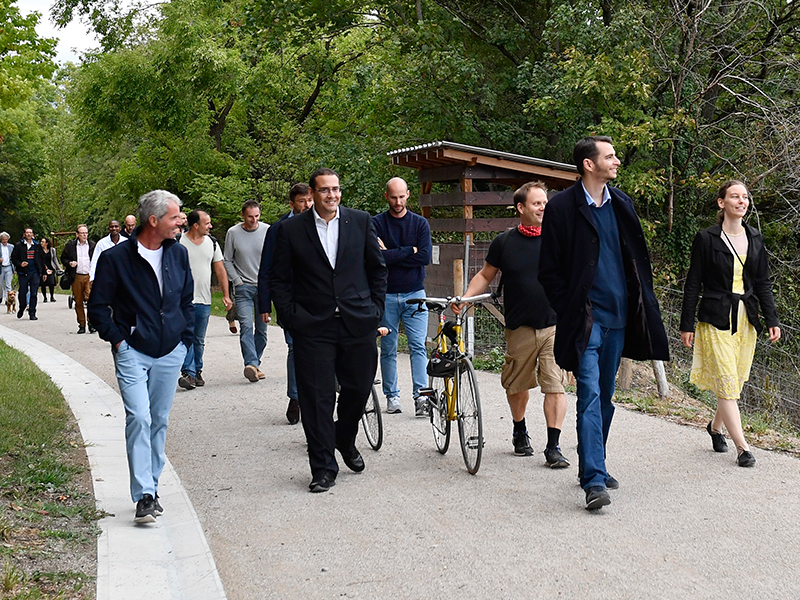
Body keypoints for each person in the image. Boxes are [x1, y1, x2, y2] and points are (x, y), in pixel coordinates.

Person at [538, 136, 669, 511]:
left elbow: (635, 261)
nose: (616, 162)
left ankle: (592, 462)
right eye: (609, 157)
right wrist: (570, 309)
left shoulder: (622, 204)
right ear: (588, 165)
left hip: (620, 317)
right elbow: (549, 271)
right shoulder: (562, 207)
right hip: (586, 321)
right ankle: (594, 479)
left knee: (607, 398)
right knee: (590, 395)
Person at [270, 168, 387, 493]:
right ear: (312, 192)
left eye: (336, 189)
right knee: (317, 399)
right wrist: (291, 317)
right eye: (324, 190)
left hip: (358, 322)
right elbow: (280, 279)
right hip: (313, 326)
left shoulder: (360, 221)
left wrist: (376, 309)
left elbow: (377, 268)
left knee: (359, 387)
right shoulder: (291, 230)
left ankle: (344, 438)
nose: (332, 195)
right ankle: (322, 467)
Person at [88, 189, 194, 524]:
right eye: (175, 217)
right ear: (154, 220)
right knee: (140, 418)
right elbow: (98, 307)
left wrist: (184, 339)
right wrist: (119, 341)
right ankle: (144, 495)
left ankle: (153, 486)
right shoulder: (116, 258)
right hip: (132, 351)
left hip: (170, 350)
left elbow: (186, 301)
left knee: (159, 420)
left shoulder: (178, 254)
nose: (181, 222)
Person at [454, 181, 570, 467]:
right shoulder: (504, 242)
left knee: (555, 385)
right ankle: (520, 429)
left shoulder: (561, 238)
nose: (543, 207)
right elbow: (484, 275)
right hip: (519, 326)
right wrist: (467, 297)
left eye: (545, 202)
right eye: (537, 203)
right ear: (521, 208)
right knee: (517, 386)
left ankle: (553, 447)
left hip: (556, 325)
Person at [680, 180, 780, 468]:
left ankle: (714, 428)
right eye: (734, 196)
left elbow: (762, 283)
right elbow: (692, 284)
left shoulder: (755, 238)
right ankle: (743, 447)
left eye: (745, 197)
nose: (741, 201)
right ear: (721, 203)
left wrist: (771, 319)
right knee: (725, 381)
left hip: (746, 318)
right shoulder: (707, 238)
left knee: (733, 381)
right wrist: (687, 324)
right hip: (715, 317)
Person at [372, 177, 432, 416]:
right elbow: (377, 259)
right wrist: (409, 251)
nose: (398, 202)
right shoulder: (376, 223)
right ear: (386, 196)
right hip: (386, 295)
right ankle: (392, 396)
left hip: (415, 293)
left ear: (408, 195)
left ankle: (421, 397)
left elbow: (425, 257)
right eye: (393, 197)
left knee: (419, 346)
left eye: (401, 196)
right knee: (388, 348)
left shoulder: (420, 224)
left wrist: (392, 254)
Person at [258, 182, 314, 423]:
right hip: (291, 300)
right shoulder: (279, 228)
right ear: (292, 204)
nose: (307, 205)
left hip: (318, 298)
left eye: (310, 200)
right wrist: (264, 304)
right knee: (295, 347)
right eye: (302, 201)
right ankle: (296, 397)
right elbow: (267, 268)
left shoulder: (322, 224)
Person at [178, 210, 233, 389]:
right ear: (196, 225)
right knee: (186, 336)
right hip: (183, 300)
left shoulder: (212, 243)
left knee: (198, 338)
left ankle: (197, 369)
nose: (210, 226)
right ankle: (189, 373)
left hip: (204, 299)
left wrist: (226, 294)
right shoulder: (178, 242)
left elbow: (220, 270)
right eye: (207, 223)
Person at [224, 200, 269, 382]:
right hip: (244, 288)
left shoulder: (267, 230)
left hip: (264, 288)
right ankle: (250, 362)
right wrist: (237, 281)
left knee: (263, 331)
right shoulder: (233, 233)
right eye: (250, 216)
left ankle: (254, 364)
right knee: (246, 326)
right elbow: (227, 260)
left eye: (257, 216)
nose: (254, 220)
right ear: (242, 215)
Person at [61, 225, 96, 334]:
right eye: (82, 233)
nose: (85, 235)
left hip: (89, 275)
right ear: (77, 234)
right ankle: (81, 324)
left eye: (86, 233)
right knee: (78, 301)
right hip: (76, 275)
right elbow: (63, 258)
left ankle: (91, 323)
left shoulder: (92, 245)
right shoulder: (70, 246)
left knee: (90, 299)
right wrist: (69, 263)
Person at [11, 227, 49, 320]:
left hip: (35, 272)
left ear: (32, 235)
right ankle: (22, 307)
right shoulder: (19, 246)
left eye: (30, 233)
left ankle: (32, 312)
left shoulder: (37, 246)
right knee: (23, 292)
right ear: (24, 234)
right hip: (23, 272)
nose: (28, 234)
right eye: (27, 233)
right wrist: (20, 264)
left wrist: (44, 272)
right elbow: (14, 258)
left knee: (34, 293)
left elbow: (42, 260)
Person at [39, 237, 61, 302]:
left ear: (46, 243)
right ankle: (45, 297)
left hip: (51, 267)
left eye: (43, 242)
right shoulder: (39, 250)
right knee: (43, 283)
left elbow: (55, 259)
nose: (41, 243)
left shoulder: (52, 250)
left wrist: (59, 268)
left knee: (51, 282)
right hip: (43, 268)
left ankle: (52, 296)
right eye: (41, 242)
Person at [1, 232, 15, 305]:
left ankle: (7, 299)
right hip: (1, 267)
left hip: (9, 267)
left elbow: (14, 257)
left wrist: (15, 268)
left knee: (8, 284)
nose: (5, 241)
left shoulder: (11, 247)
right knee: (0, 284)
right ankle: (0, 296)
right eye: (3, 239)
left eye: (6, 239)